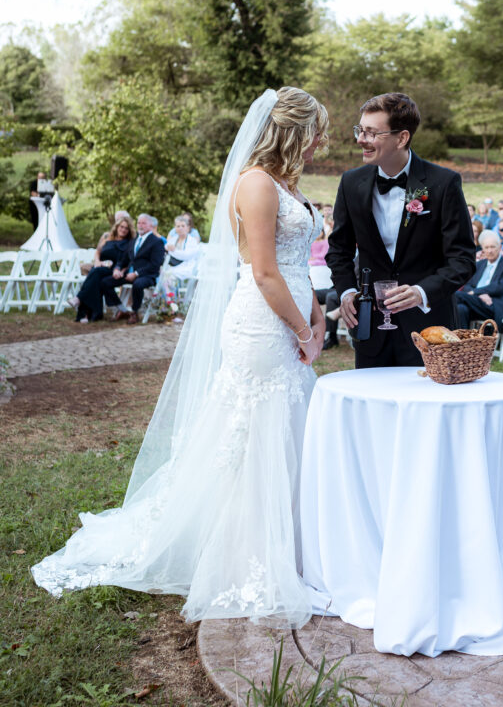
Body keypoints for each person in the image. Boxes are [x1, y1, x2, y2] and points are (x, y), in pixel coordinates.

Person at [32, 86, 328, 628]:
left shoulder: (286, 184)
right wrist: (299, 328)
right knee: (253, 432)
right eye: (316, 132)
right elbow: (263, 271)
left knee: (280, 430)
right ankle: (244, 556)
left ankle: (287, 544)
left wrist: (318, 316)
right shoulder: (257, 183)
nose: (321, 143)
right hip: (262, 323)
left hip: (290, 315)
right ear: (294, 131)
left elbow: (295, 265)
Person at [328, 92, 476, 369]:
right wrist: (347, 291)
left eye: (371, 133)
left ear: (402, 138)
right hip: (370, 329)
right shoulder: (351, 182)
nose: (361, 139)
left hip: (430, 330)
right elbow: (339, 250)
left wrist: (421, 292)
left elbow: (463, 261)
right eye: (360, 130)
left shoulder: (444, 183)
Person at [100, 214, 166, 324]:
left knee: (138, 284)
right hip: (128, 274)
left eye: (143, 223)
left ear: (151, 225)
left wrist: (136, 273)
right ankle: (121, 309)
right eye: (139, 223)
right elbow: (124, 259)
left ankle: (134, 312)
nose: (140, 225)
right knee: (105, 282)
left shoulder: (156, 242)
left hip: (147, 275)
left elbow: (155, 264)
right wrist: (117, 268)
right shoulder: (134, 240)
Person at [68, 216, 135, 322]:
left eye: (126, 228)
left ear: (129, 230)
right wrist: (97, 261)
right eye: (121, 227)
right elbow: (98, 252)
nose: (123, 230)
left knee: (95, 273)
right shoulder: (108, 238)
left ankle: (80, 302)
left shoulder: (129, 243)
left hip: (114, 270)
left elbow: (128, 260)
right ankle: (93, 313)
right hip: (101, 266)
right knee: (95, 280)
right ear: (117, 227)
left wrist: (121, 270)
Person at [453, 229, 503, 330]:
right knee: (461, 309)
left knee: (455, 294)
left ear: (500, 247)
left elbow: (501, 287)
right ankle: (465, 343)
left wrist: (475, 292)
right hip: (475, 303)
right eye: (486, 247)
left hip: (493, 304)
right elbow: (467, 286)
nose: (490, 251)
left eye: (493, 247)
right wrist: (478, 294)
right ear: (483, 249)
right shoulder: (479, 265)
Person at [158, 216, 202, 308]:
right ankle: (170, 304)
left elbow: (186, 255)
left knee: (167, 276)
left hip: (187, 267)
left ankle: (171, 304)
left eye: (183, 226)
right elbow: (166, 247)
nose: (180, 228)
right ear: (175, 228)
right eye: (178, 226)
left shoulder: (192, 241)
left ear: (188, 228)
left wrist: (173, 251)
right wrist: (170, 249)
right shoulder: (173, 239)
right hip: (173, 266)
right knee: (163, 275)